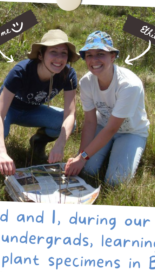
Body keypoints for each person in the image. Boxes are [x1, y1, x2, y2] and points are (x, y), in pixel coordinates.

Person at [0, 29, 79, 176]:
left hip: (34, 110)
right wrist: (1, 151)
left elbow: (70, 114)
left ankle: (38, 141)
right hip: (9, 108)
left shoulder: (68, 74)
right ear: (40, 55)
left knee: (69, 124)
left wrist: (60, 144)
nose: (59, 59)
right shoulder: (21, 71)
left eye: (63, 53)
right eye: (53, 52)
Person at [64, 31, 149, 185]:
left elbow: (112, 129)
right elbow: (90, 122)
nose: (94, 60)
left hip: (130, 132)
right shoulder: (86, 83)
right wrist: (81, 157)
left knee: (115, 181)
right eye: (89, 55)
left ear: (112, 56)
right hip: (101, 125)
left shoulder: (129, 85)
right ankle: (107, 151)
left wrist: (82, 157)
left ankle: (122, 150)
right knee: (85, 171)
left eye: (100, 54)